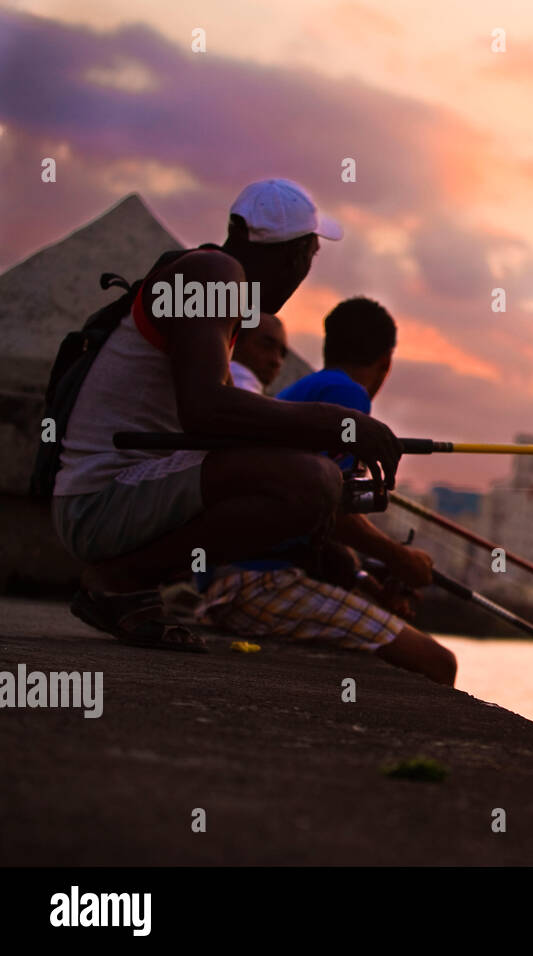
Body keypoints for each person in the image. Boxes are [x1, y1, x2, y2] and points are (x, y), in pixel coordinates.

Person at [51, 179, 454, 685]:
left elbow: (219, 425)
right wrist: (338, 425)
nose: (307, 271)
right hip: (101, 504)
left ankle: (129, 580)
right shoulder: (213, 273)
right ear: (298, 258)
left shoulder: (215, 282)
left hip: (113, 500)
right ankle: (121, 581)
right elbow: (205, 410)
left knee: (316, 480)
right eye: (310, 255)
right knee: (311, 483)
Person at [195, 297, 456, 685]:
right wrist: (400, 558)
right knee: (437, 663)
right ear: (386, 363)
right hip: (255, 584)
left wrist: (367, 581)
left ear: (327, 346)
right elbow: (329, 509)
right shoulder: (347, 395)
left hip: (228, 577)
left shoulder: (306, 389)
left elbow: (307, 519)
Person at [228, 312, 287, 392]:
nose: (276, 361)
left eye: (283, 354)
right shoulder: (241, 389)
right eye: (267, 346)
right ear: (237, 341)